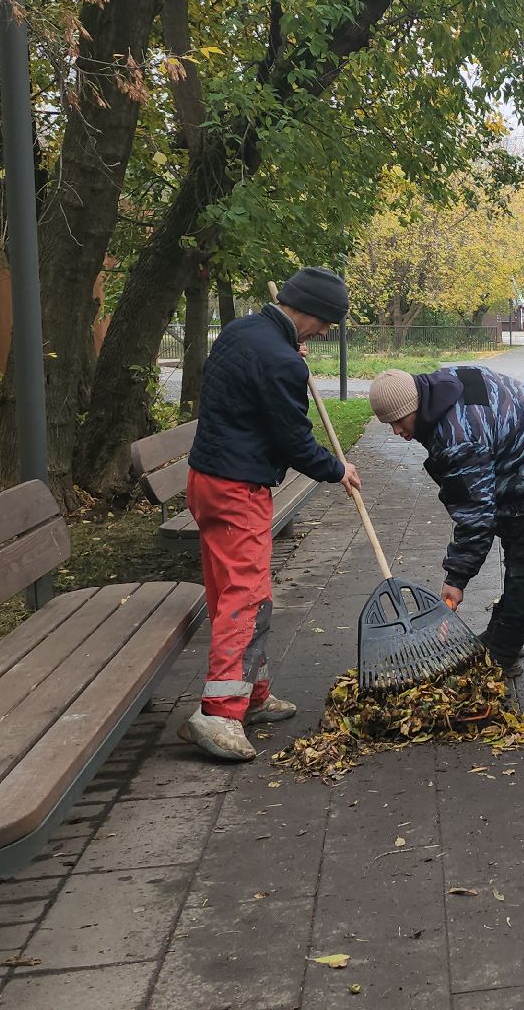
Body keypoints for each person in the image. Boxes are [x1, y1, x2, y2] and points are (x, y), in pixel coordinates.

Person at [179, 267, 361, 762]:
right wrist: (336, 468)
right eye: (326, 324)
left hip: (206, 479)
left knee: (228, 591)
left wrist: (288, 358)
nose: (326, 334)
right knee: (248, 597)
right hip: (239, 488)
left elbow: (255, 384)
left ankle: (252, 695)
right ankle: (219, 714)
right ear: (310, 313)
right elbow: (293, 440)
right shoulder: (281, 360)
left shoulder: (243, 332)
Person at [366, 366, 524, 678]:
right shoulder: (435, 391)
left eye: (399, 421)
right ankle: (501, 634)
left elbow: (476, 515)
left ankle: (504, 652)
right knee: (513, 536)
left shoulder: (458, 437)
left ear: (414, 406)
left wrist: (455, 580)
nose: (396, 432)